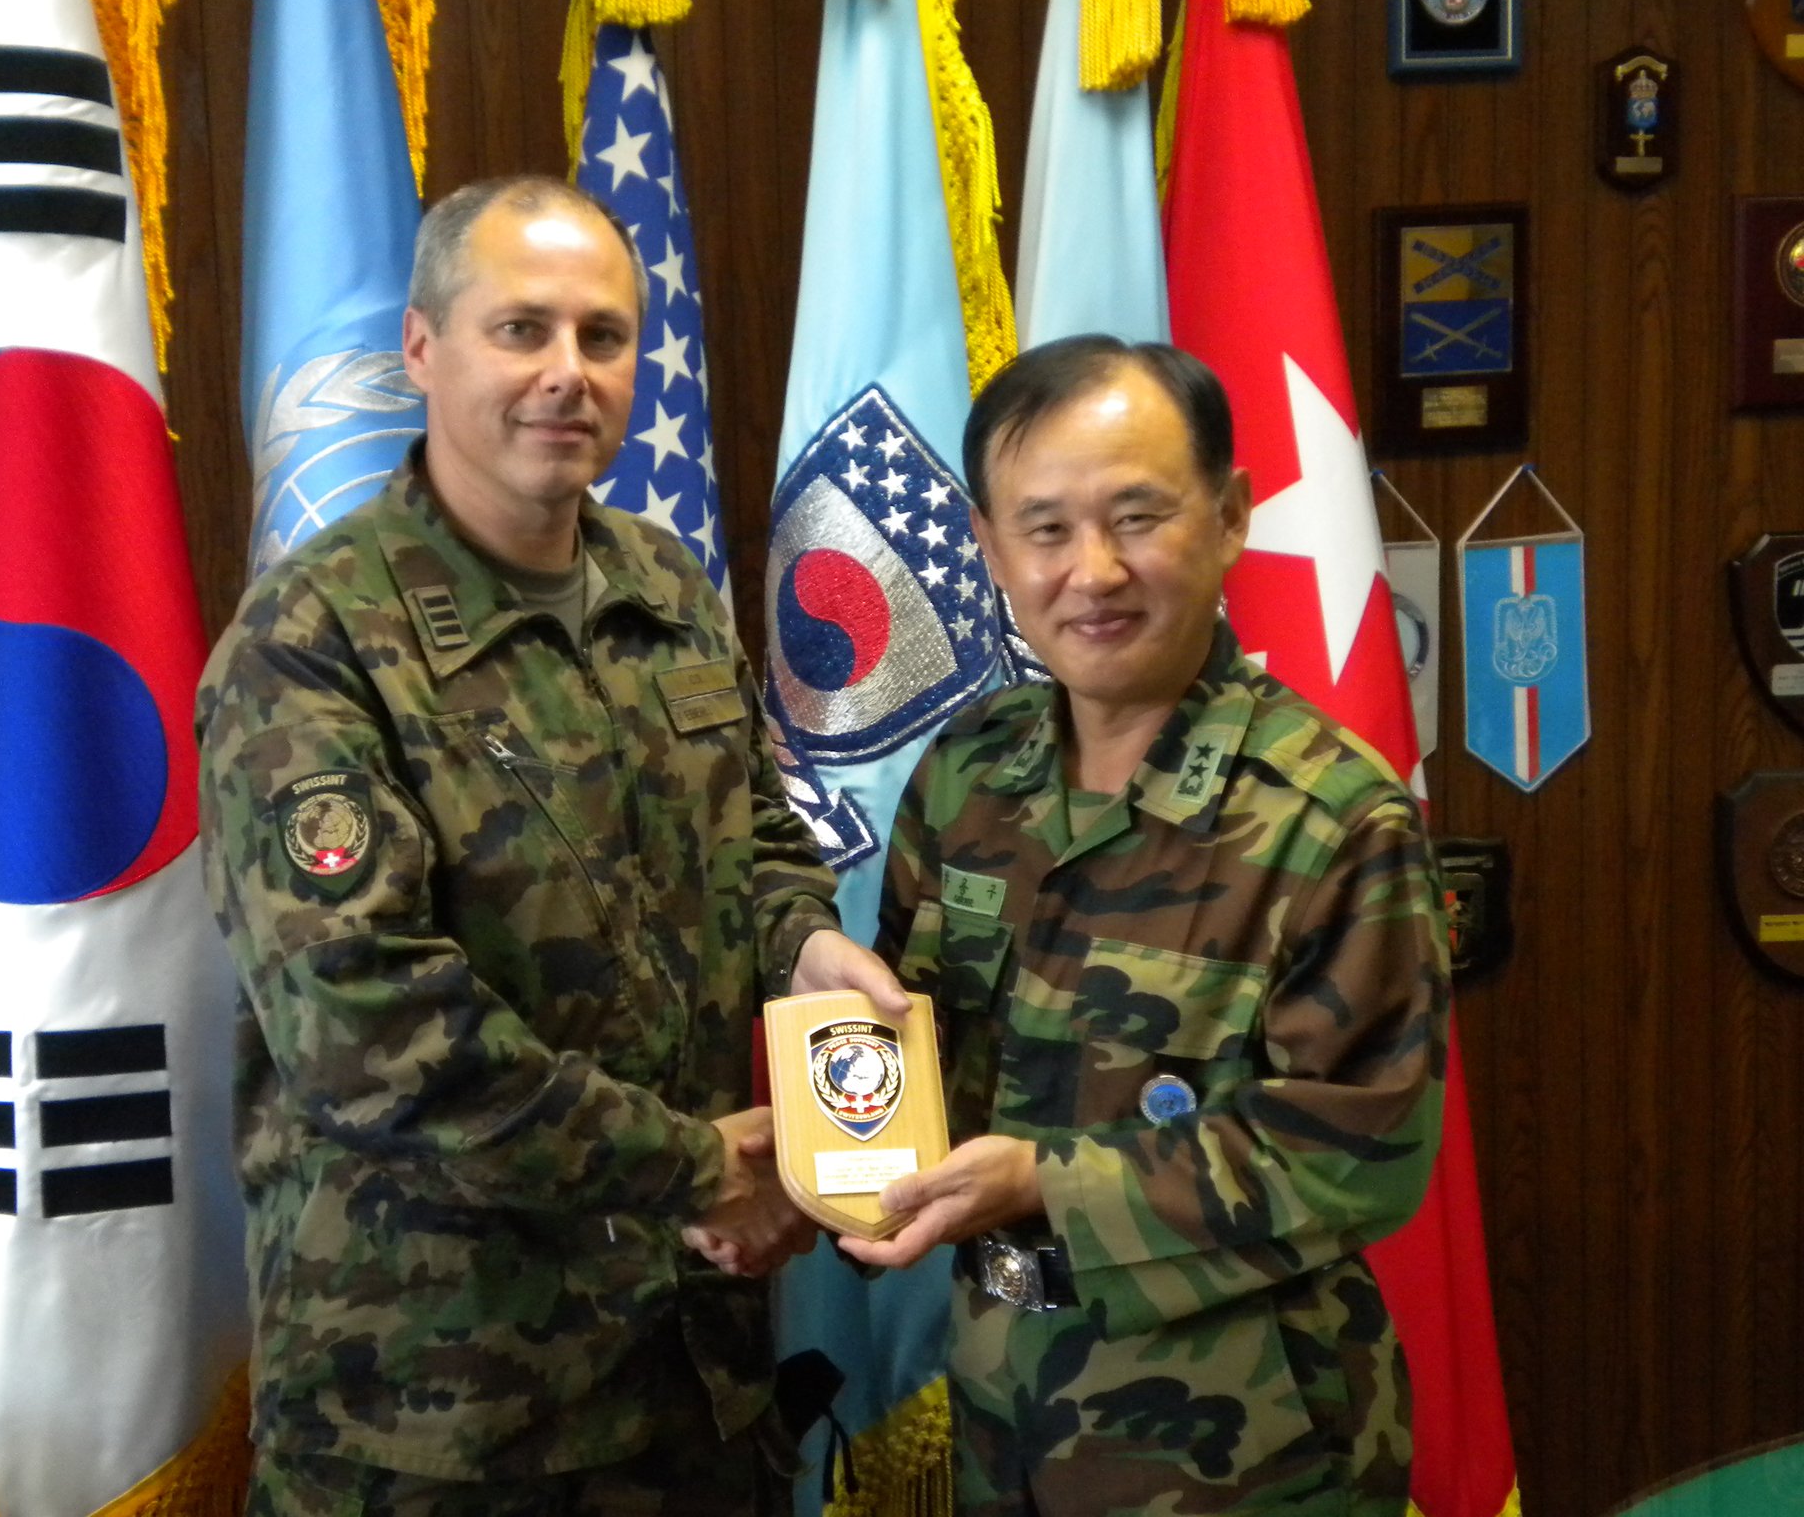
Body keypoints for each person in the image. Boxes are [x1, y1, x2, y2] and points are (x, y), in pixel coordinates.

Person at [197, 174, 903, 1517]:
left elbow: (753, 834)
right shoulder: (313, 642)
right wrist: (699, 1168)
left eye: (603, 335)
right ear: (422, 348)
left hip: (692, 1376)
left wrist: (805, 943)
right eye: (520, 329)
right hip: (442, 1415)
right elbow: (369, 1028)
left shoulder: (664, 586)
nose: (566, 373)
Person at [840, 336, 1448, 1516]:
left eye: (1136, 517)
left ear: (1228, 517)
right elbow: (916, 1054)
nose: (1094, 571)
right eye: (1045, 529)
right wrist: (804, 1158)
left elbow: (1354, 1156)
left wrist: (1044, 1182)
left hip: (1242, 1446)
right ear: (988, 549)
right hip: (999, 1410)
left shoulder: (1330, 817)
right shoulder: (966, 776)